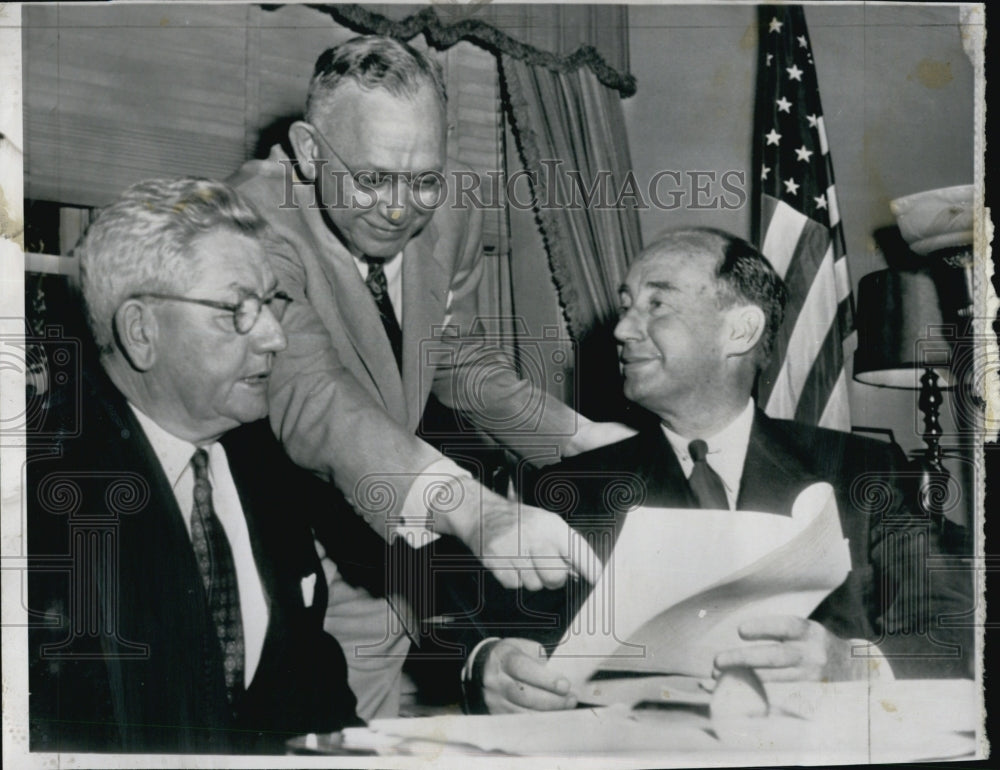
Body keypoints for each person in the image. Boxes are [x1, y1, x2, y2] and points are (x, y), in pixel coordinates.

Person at [229, 35, 623, 717]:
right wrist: (475, 508)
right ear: (309, 150)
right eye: (374, 178)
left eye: (425, 179)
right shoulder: (252, 216)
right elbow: (307, 391)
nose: (402, 208)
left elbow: (454, 356)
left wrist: (583, 439)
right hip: (281, 540)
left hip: (389, 545)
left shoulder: (451, 210)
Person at [462, 227, 973, 713]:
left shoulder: (865, 471)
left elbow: (953, 628)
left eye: (656, 304)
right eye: (624, 307)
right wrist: (488, 665)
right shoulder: (567, 489)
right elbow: (469, 630)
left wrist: (853, 667)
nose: (621, 329)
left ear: (741, 330)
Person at [27, 178, 365, 752]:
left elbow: (312, 695)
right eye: (237, 308)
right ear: (141, 332)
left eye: (271, 302)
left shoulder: (268, 465)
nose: (276, 337)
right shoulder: (42, 507)